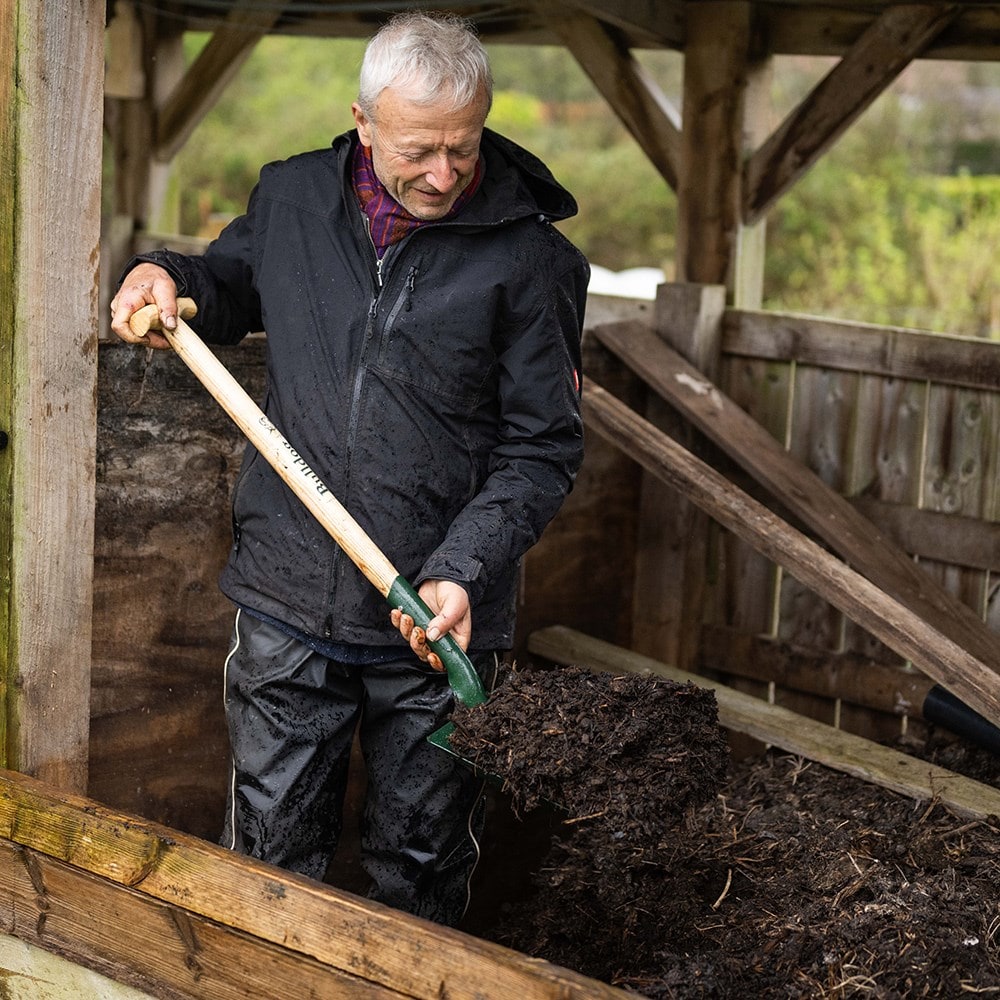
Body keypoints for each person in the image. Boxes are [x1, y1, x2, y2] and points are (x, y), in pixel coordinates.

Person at [110, 11, 587, 927]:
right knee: (269, 862)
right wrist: (165, 276)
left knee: (419, 874)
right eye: (418, 149)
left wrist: (465, 568)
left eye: (463, 146)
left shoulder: (531, 259)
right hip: (291, 600)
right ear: (364, 122)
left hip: (437, 628)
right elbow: (229, 287)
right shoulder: (292, 199)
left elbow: (543, 446)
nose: (443, 174)